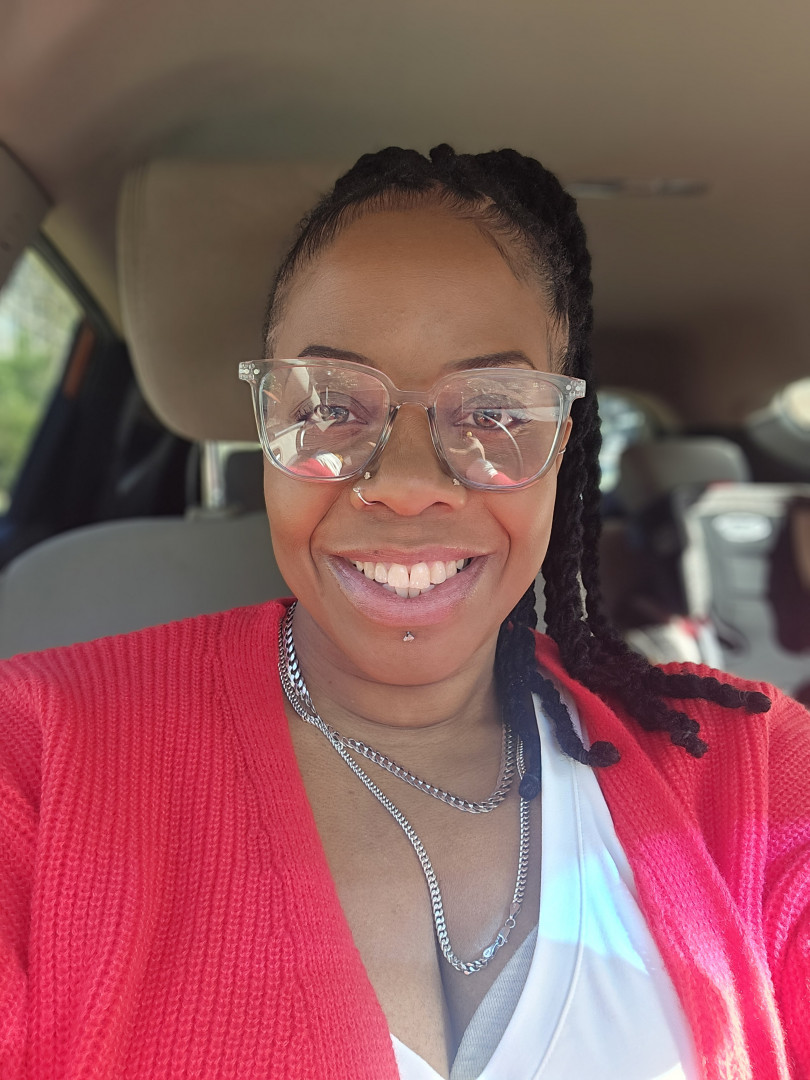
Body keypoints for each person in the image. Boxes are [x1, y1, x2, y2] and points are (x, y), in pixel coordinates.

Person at [0, 145, 808, 1080]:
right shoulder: (37, 756)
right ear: (269, 418)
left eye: (495, 412)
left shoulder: (748, 769)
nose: (409, 482)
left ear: (562, 444)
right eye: (333, 404)